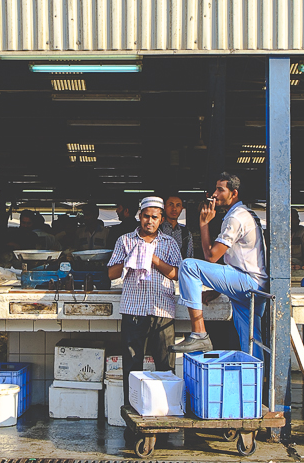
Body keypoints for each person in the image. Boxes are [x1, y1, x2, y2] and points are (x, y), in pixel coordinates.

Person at [171, 173, 267, 357]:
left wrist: (204, 223)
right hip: (255, 286)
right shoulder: (245, 214)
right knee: (251, 340)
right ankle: (256, 382)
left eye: (220, 190)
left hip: (247, 281)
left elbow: (211, 257)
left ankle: (199, 333)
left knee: (188, 266)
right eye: (215, 189)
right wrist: (217, 290)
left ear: (234, 193)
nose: (214, 194)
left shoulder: (235, 218)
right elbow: (232, 260)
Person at [107, 197, 182, 406]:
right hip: (134, 310)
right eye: (146, 216)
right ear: (139, 216)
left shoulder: (170, 243)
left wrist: (153, 259)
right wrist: (132, 257)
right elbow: (111, 274)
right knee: (132, 365)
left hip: (162, 310)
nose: (150, 221)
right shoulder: (125, 241)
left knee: (165, 365)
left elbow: (176, 274)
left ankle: (165, 409)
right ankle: (132, 411)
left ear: (161, 220)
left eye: (155, 217)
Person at [160, 193, 195, 259]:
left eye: (178, 205)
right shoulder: (157, 230)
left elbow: (189, 258)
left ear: (182, 208)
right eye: (171, 204)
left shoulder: (186, 234)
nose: (174, 209)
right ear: (164, 207)